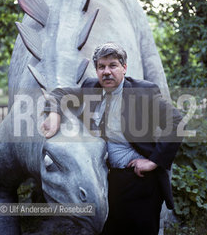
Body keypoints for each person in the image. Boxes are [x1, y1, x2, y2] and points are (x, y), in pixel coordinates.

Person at [41, 42, 183, 235]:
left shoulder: (144, 91)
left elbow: (176, 121)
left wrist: (153, 161)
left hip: (140, 182)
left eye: (113, 65)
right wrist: (54, 114)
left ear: (124, 68)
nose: (106, 72)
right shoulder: (91, 87)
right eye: (101, 67)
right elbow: (60, 93)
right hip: (108, 182)